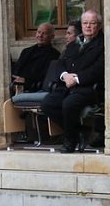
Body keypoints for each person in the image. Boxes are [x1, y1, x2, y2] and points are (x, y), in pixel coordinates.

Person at [40, 10, 105, 153]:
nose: (88, 26)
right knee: (47, 104)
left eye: (92, 23)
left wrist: (76, 79)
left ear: (99, 26)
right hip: (67, 85)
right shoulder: (74, 43)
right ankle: (79, 131)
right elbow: (60, 63)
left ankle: (70, 141)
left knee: (68, 104)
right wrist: (65, 75)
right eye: (85, 23)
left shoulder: (103, 44)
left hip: (89, 87)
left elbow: (98, 69)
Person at [10, 22, 60, 96]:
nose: (40, 35)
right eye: (39, 32)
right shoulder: (26, 51)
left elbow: (45, 78)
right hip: (16, 85)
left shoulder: (54, 55)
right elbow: (16, 69)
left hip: (34, 89)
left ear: (51, 36)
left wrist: (25, 81)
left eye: (44, 33)